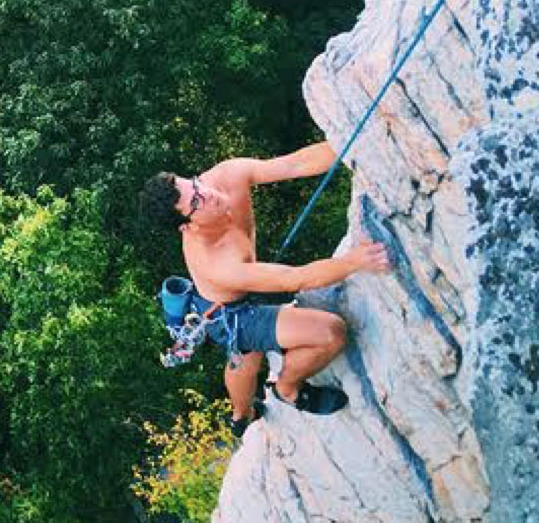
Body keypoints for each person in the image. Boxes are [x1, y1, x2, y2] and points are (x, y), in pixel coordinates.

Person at [138, 144, 391, 434]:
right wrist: (354, 262)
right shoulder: (216, 262)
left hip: (231, 292)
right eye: (195, 202)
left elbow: (294, 165)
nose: (206, 193)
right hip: (232, 315)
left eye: (194, 183)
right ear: (187, 227)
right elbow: (297, 279)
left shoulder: (225, 175)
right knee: (329, 333)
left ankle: (239, 416)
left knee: (247, 355)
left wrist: (349, 143)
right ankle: (285, 390)